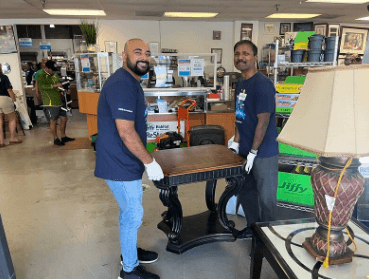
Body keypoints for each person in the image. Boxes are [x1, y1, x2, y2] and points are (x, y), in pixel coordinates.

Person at [95, 38, 164, 279]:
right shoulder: (122, 84)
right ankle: (129, 271)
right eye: (138, 52)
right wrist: (150, 162)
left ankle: (129, 252)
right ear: (124, 57)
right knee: (133, 214)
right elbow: (125, 131)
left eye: (147, 52)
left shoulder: (131, 82)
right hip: (119, 163)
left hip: (125, 161)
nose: (144, 57)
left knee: (128, 212)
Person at [229, 40, 279, 238]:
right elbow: (240, 115)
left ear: (255, 57)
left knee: (266, 198)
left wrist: (253, 153)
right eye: (237, 53)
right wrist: (236, 142)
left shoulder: (263, 85)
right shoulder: (240, 83)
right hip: (244, 150)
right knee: (246, 191)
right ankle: (252, 228)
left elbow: (263, 122)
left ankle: (267, 239)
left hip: (263, 152)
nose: (241, 57)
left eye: (246, 53)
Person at [36, 60, 74, 146]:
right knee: (53, 121)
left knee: (64, 118)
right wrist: (54, 85)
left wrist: (64, 91)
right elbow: (42, 87)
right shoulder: (41, 76)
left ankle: (63, 136)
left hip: (59, 100)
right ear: (47, 68)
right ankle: (56, 138)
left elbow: (58, 86)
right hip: (50, 102)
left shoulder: (54, 75)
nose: (53, 72)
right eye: (51, 70)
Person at [0, 65, 23, 147]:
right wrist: (14, 100)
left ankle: (1, 141)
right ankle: (12, 138)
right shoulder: (4, 77)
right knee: (12, 118)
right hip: (4, 98)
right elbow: (9, 89)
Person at [34, 59, 51, 128]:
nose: (44, 64)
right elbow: (36, 83)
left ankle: (53, 120)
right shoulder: (39, 72)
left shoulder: (51, 71)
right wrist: (37, 92)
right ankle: (49, 121)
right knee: (46, 107)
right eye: (43, 63)